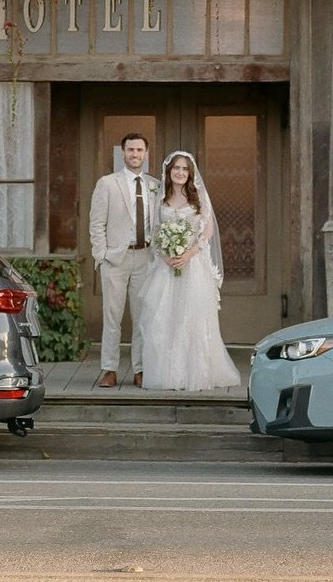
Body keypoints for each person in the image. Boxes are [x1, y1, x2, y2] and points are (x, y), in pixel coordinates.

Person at [140, 150, 242, 393]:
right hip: (167, 268)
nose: (180, 172)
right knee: (165, 319)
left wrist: (187, 254)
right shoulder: (160, 199)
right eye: (176, 168)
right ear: (169, 171)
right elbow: (154, 232)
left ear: (190, 173)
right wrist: (167, 256)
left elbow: (207, 232)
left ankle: (196, 373)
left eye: (185, 169)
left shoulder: (199, 199)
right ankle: (168, 375)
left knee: (192, 318)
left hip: (193, 266)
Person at [88, 131, 162, 388]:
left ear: (146, 153)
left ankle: (140, 369)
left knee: (142, 317)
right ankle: (109, 369)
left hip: (145, 257)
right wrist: (102, 255)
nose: (135, 154)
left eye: (140, 150)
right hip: (116, 259)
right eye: (131, 150)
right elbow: (96, 223)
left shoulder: (154, 185)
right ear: (123, 154)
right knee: (113, 317)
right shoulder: (108, 184)